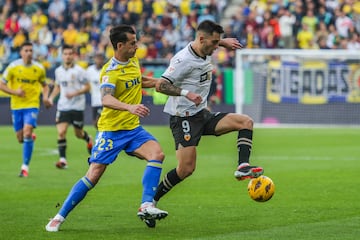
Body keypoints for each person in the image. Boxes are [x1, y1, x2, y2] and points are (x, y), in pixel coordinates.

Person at [45, 24, 169, 232]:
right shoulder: (110, 72)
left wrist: (162, 82)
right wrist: (130, 107)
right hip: (111, 131)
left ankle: (146, 204)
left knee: (157, 153)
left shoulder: (133, 61)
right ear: (120, 45)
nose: (137, 46)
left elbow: (140, 81)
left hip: (133, 129)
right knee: (93, 175)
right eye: (132, 43)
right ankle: (59, 216)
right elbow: (106, 98)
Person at [153, 20, 264, 209]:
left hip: (201, 114)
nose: (216, 47)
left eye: (217, 42)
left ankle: (242, 166)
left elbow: (208, 41)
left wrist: (223, 42)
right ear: (202, 39)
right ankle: (151, 201)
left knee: (245, 122)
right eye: (214, 43)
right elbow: (160, 85)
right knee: (186, 169)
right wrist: (186, 93)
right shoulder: (182, 60)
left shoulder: (204, 46)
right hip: (183, 118)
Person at [0, 41, 51, 177]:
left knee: (27, 132)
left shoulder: (39, 68)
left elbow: (45, 85)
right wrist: (14, 92)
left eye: (30, 50)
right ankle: (29, 137)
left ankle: (25, 167)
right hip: (16, 106)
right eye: (26, 50)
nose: (29, 53)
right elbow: (1, 84)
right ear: (21, 52)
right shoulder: (13, 67)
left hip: (32, 105)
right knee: (20, 138)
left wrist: (45, 97)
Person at [47, 44, 93, 169]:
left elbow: (88, 87)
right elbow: (58, 86)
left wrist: (75, 93)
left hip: (77, 106)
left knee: (78, 134)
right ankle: (63, 160)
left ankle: (88, 138)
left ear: (73, 56)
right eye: (65, 54)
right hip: (63, 106)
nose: (68, 56)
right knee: (61, 132)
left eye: (70, 54)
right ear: (62, 56)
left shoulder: (80, 71)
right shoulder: (58, 71)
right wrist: (51, 98)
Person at [86, 53, 105, 129]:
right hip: (94, 100)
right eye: (97, 59)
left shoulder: (105, 70)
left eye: (101, 59)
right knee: (95, 123)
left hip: (104, 101)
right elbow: (85, 82)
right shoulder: (89, 70)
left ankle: (102, 138)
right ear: (94, 59)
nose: (99, 61)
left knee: (100, 121)